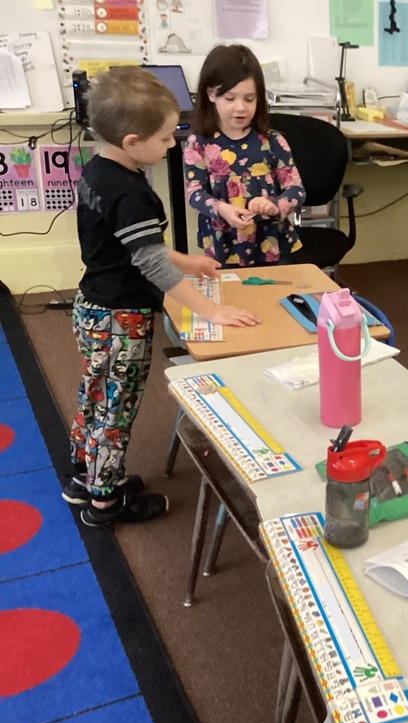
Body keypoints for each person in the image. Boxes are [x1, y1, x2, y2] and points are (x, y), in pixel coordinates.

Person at [63, 67, 259, 526]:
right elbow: (150, 263)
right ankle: (105, 502)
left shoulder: (99, 169)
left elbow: (133, 246)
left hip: (90, 306)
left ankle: (83, 475)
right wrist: (213, 309)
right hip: (120, 321)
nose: (173, 145)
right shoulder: (132, 194)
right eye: (167, 138)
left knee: (95, 393)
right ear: (133, 141)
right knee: (117, 406)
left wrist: (190, 263)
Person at [184, 44, 306, 267]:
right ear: (211, 94)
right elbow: (194, 193)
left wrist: (275, 206)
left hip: (270, 243)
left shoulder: (272, 140)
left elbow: (296, 188)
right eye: (230, 99)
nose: (240, 108)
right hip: (224, 245)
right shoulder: (199, 143)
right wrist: (222, 209)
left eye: (249, 99)